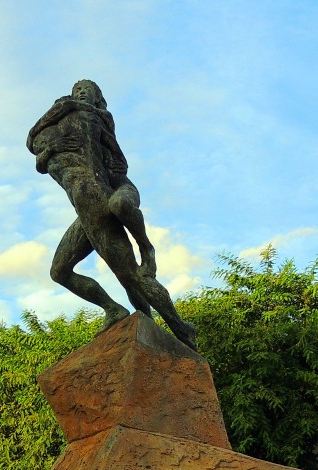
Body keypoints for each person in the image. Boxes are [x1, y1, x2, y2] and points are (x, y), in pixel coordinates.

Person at [27, 80, 198, 350]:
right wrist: (53, 145)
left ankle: (179, 327)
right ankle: (114, 310)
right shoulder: (59, 131)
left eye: (87, 90)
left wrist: (71, 107)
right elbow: (34, 150)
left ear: (98, 98)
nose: (79, 94)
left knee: (131, 275)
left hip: (98, 198)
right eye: (75, 91)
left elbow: (114, 156)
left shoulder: (93, 119)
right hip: (84, 208)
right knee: (60, 272)